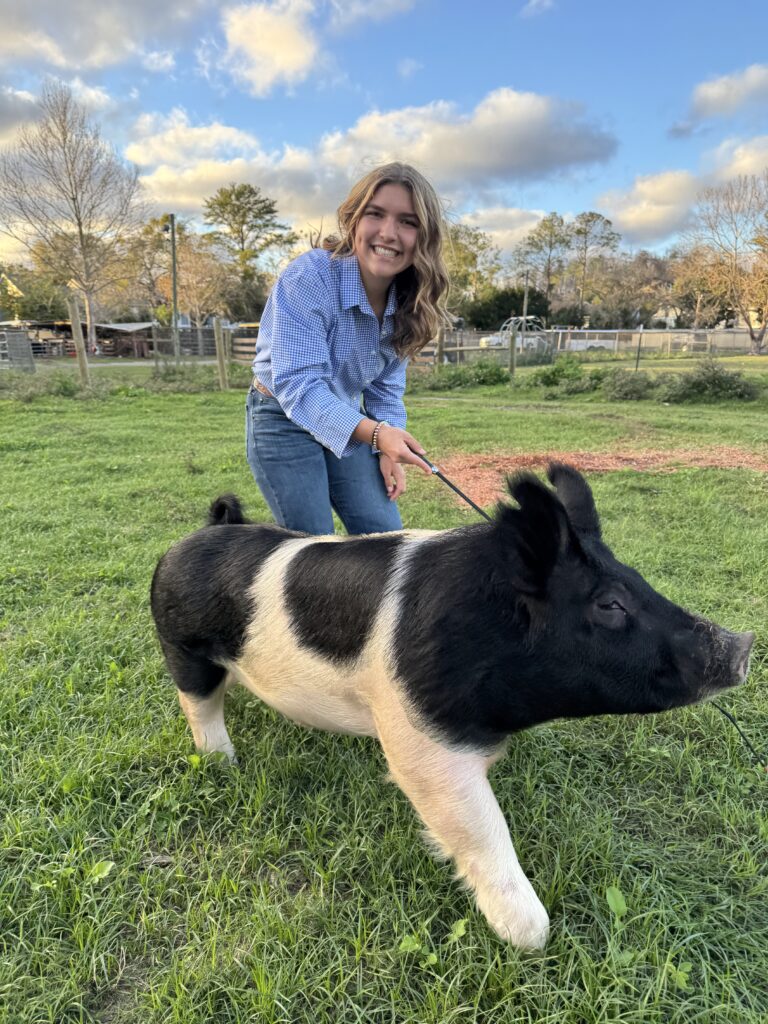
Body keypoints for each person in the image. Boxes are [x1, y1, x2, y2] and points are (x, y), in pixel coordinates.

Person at [245, 162, 450, 535]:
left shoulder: (410, 302)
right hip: (282, 417)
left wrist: (386, 446)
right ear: (354, 219)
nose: (388, 233)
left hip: (348, 417)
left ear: (424, 236)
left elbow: (385, 387)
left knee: (385, 538)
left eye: (408, 221)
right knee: (313, 551)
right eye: (376, 214)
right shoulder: (309, 278)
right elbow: (299, 388)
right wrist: (376, 434)